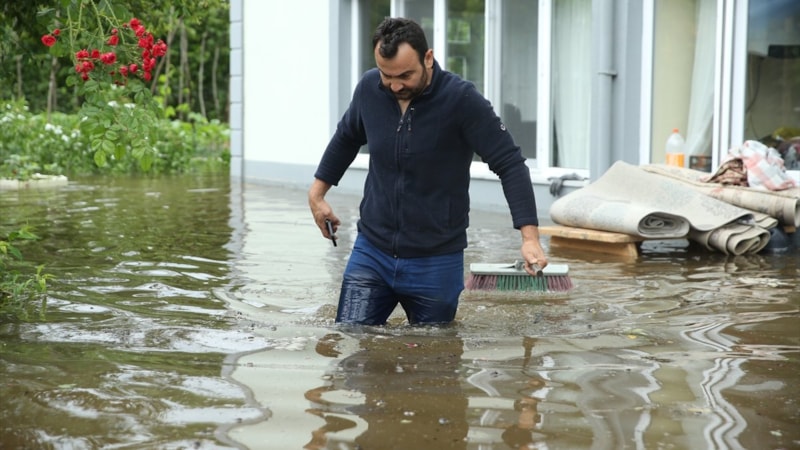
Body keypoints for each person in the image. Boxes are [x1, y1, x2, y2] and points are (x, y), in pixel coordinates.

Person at [308, 17, 547, 326]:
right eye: (386, 75)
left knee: (435, 362)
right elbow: (346, 137)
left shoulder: (461, 100)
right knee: (351, 345)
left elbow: (510, 164)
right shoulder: (369, 88)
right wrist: (317, 194)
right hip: (372, 252)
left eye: (405, 75)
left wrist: (529, 237)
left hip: (436, 262)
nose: (395, 85)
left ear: (428, 58)